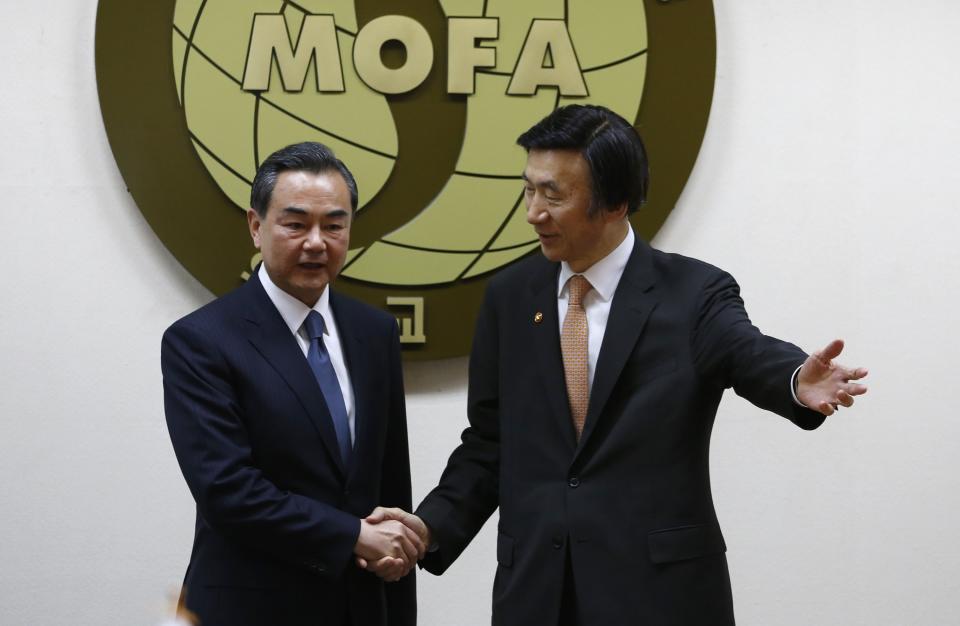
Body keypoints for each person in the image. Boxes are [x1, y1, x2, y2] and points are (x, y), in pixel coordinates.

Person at [361, 105, 868, 625]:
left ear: (615, 202)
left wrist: (792, 379)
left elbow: (744, 349)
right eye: (529, 189)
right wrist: (427, 528)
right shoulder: (509, 299)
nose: (533, 212)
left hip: (660, 596)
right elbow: (490, 445)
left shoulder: (693, 294)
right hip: (537, 594)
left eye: (553, 195)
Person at [162, 142, 423, 626]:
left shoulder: (374, 332)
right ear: (256, 226)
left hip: (359, 607)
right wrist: (351, 536)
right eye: (296, 223)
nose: (316, 242)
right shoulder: (201, 341)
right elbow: (228, 492)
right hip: (251, 607)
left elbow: (389, 484)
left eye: (334, 225)